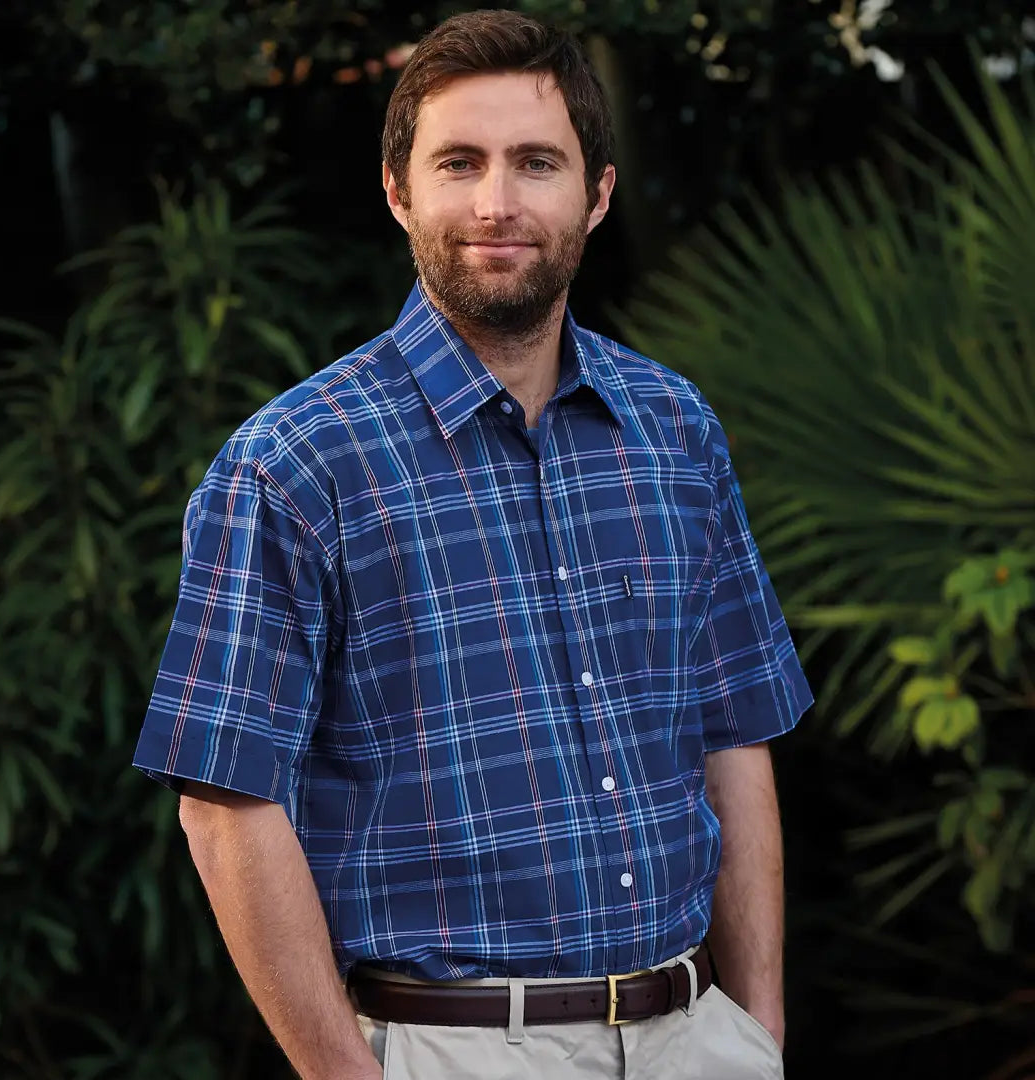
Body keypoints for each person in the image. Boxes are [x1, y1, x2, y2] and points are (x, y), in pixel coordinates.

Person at [132, 9, 814, 1079]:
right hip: (454, 1048)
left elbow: (733, 732)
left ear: (596, 194)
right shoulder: (294, 463)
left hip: (698, 1039)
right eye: (460, 162)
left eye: (537, 162)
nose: (497, 202)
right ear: (401, 191)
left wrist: (757, 1030)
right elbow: (225, 805)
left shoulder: (674, 429)